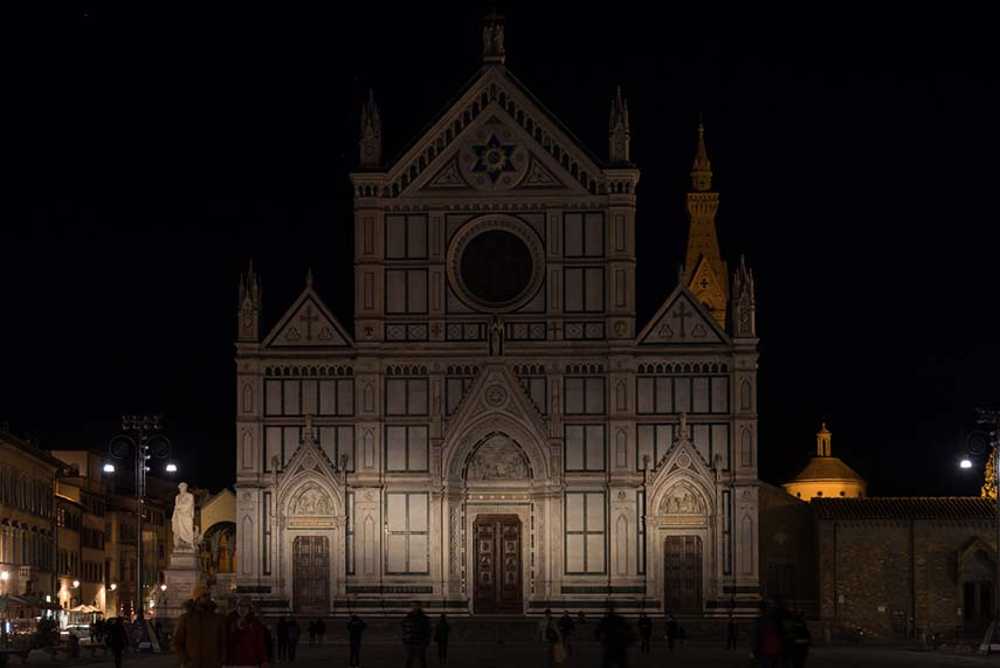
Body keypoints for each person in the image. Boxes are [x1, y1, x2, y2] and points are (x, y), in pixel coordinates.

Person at [174, 587, 226, 668]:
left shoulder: (217, 618)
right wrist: (185, 660)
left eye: (209, 595)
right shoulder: (186, 618)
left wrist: (220, 661)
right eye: (204, 595)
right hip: (192, 664)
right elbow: (177, 642)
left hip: (212, 664)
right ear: (197, 598)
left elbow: (223, 641)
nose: (208, 598)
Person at [224, 597, 268, 668]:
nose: (242, 608)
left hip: (251, 662)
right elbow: (225, 642)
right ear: (236, 607)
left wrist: (263, 660)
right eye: (240, 605)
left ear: (249, 608)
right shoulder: (229, 622)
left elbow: (260, 643)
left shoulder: (256, 624)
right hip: (233, 662)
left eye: (245, 606)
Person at [594, 604, 633, 668]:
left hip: (611, 645)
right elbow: (629, 630)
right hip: (619, 646)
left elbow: (597, 631)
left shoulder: (606, 620)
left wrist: (600, 640)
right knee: (621, 664)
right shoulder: (619, 619)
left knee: (608, 664)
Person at [750, 599, 785, 668]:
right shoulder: (775, 620)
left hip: (765, 651)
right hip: (775, 650)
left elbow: (755, 637)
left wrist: (754, 651)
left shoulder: (760, 621)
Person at [401, 604, 431, 668]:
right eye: (414, 606)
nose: (415, 607)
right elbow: (404, 628)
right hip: (412, 642)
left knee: (420, 660)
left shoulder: (423, 618)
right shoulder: (409, 617)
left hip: (419, 642)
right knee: (411, 659)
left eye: (416, 606)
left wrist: (426, 641)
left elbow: (428, 631)